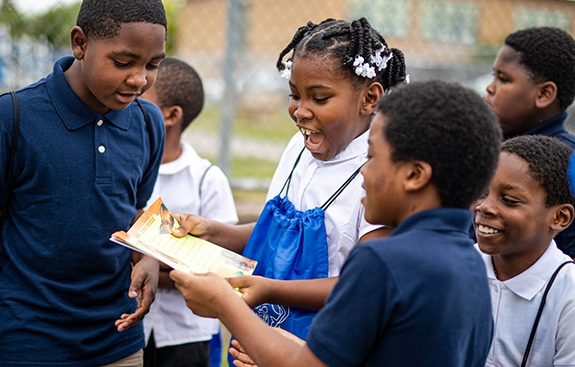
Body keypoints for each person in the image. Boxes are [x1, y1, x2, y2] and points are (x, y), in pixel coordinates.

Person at [169, 80, 501, 367]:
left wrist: (224, 304)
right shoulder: (473, 264)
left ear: (414, 175)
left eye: (371, 158)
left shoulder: (383, 261)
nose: (363, 173)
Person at [173, 17, 407, 342]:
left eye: (319, 98)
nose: (300, 111)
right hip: (269, 333)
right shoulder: (299, 146)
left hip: (328, 344)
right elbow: (281, 237)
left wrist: (268, 290)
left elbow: (361, 285)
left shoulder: (379, 172)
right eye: (294, 94)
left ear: (370, 98)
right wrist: (213, 232)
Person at [0, 0, 167, 365]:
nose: (140, 79)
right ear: (80, 43)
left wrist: (150, 255)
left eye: (153, 65)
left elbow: (137, 212)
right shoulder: (12, 117)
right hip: (27, 342)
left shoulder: (149, 121)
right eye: (123, 62)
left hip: (119, 340)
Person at [140, 57, 238, 367]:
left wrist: (148, 263)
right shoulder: (127, 169)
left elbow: (222, 267)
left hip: (190, 334)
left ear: (171, 115)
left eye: (142, 96)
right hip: (132, 329)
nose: (129, 101)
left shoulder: (207, 180)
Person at [474, 135, 575, 367]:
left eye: (508, 200)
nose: (485, 206)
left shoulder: (568, 296)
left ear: (559, 217)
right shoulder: (456, 267)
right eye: (482, 192)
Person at [485, 26, 575, 257]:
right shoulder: (490, 147)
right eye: (493, 75)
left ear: (544, 94)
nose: (490, 87)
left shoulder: (569, 163)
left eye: (503, 79)